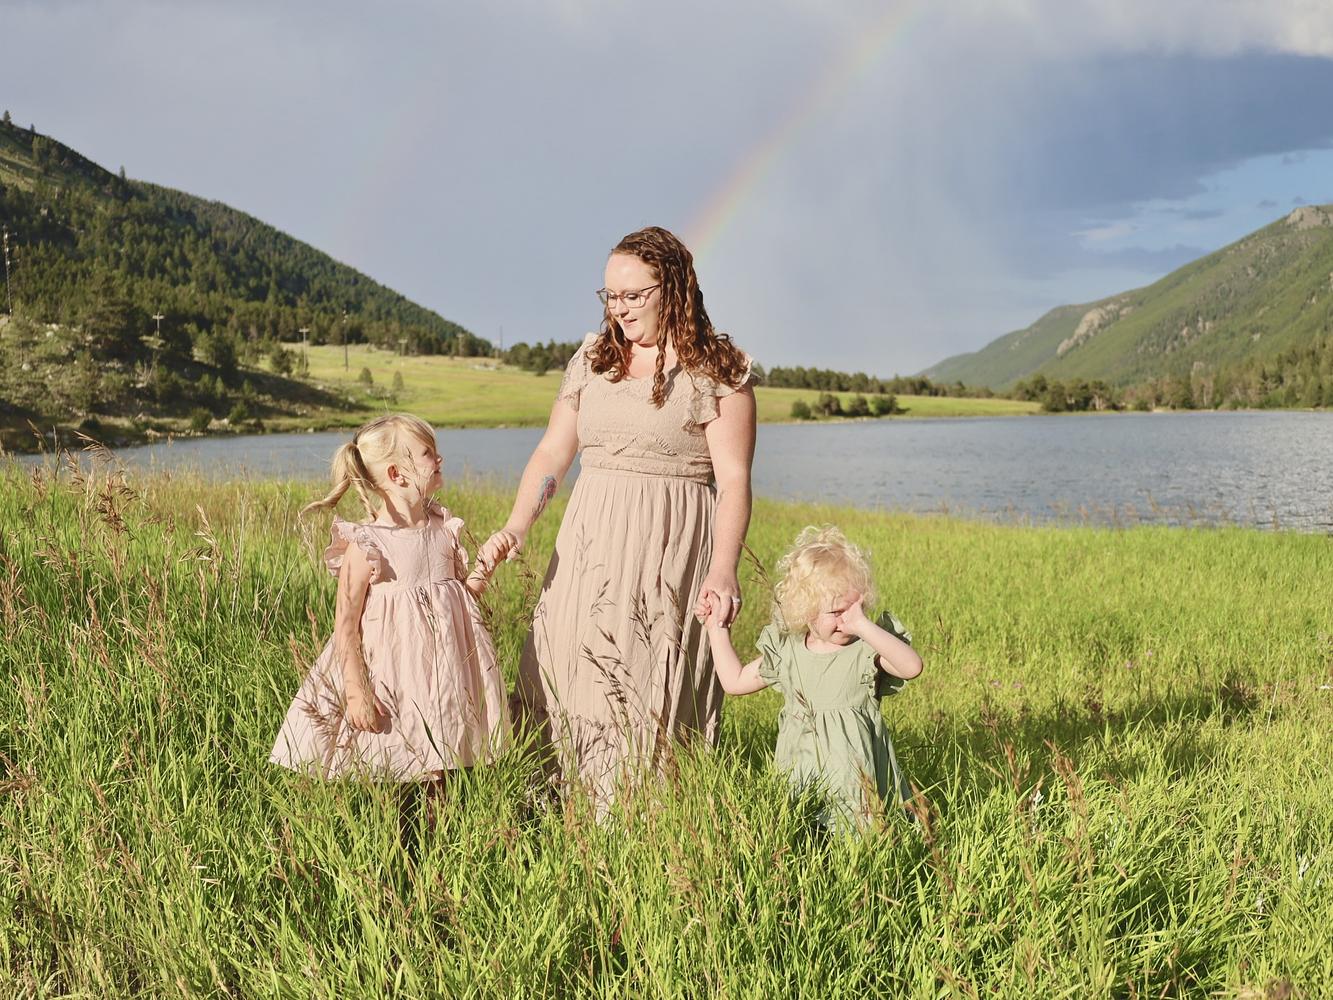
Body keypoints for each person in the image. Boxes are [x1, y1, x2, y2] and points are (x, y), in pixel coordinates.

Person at [479, 226, 757, 807]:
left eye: (633, 296)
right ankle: (549, 807)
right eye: (610, 295)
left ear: (673, 288)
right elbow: (553, 452)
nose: (619, 308)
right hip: (587, 542)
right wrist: (517, 525)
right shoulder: (593, 359)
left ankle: (641, 819)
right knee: (565, 666)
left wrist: (724, 569)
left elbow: (734, 480)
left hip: (669, 544)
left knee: (646, 677)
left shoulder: (718, 370)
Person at [270, 413, 509, 782]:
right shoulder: (367, 545)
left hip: (445, 680)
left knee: (444, 769)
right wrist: (356, 691)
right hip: (395, 680)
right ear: (397, 474)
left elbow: (461, 604)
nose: (440, 458)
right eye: (428, 453)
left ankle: (441, 818)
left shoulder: (443, 529)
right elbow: (345, 627)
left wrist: (484, 568)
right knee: (395, 767)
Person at [702, 525, 922, 829]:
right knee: (801, 832)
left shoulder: (866, 649)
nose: (849, 620)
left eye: (857, 609)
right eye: (837, 612)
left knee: (856, 836)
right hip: (801, 772)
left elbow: (911, 667)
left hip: (855, 780)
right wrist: (717, 628)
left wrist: (864, 626)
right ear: (806, 610)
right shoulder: (788, 651)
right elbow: (735, 681)